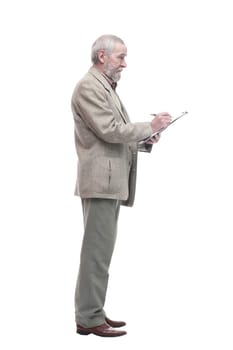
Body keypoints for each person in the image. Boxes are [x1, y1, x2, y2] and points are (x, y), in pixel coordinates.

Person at [71, 34, 172, 337]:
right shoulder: (89, 87)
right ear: (102, 56)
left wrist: (144, 139)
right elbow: (109, 131)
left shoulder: (106, 87)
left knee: (101, 251)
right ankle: (88, 318)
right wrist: (149, 125)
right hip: (101, 181)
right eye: (121, 57)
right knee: (96, 253)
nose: (125, 63)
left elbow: (114, 135)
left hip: (110, 180)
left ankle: (93, 312)